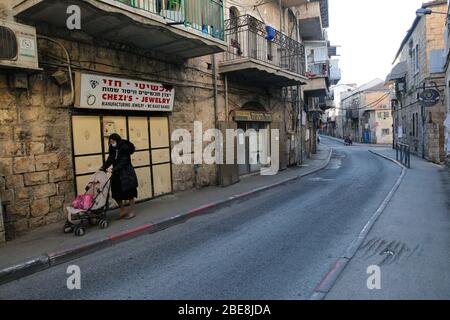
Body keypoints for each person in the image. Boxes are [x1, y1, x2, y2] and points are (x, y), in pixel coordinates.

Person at [101, 133, 138, 220]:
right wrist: (103, 167)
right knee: (116, 193)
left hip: (126, 173)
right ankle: (122, 210)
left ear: (117, 140)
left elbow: (124, 161)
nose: (112, 142)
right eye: (110, 141)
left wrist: (114, 169)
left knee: (130, 193)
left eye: (113, 141)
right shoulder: (112, 148)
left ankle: (132, 212)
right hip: (117, 174)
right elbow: (110, 159)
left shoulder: (124, 148)